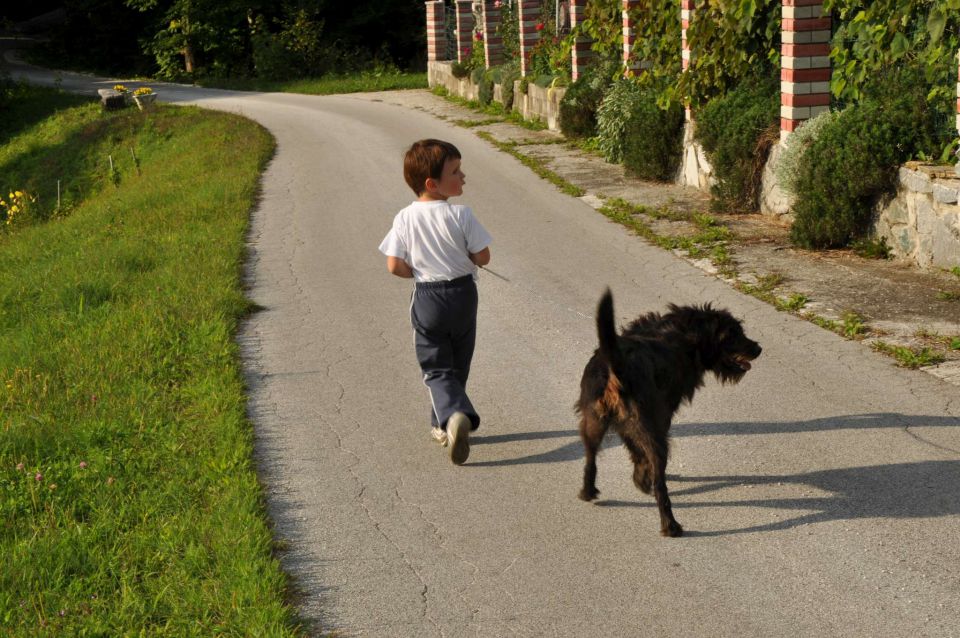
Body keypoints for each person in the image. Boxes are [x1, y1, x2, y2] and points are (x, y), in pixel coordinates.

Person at [379, 139, 492, 465]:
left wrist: (419, 269)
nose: (463, 176)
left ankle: (451, 416)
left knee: (435, 367)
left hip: (428, 298)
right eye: (455, 172)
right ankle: (444, 423)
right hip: (463, 296)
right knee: (459, 359)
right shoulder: (462, 215)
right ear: (433, 183)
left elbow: (394, 265)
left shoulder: (404, 218)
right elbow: (483, 256)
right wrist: (467, 255)